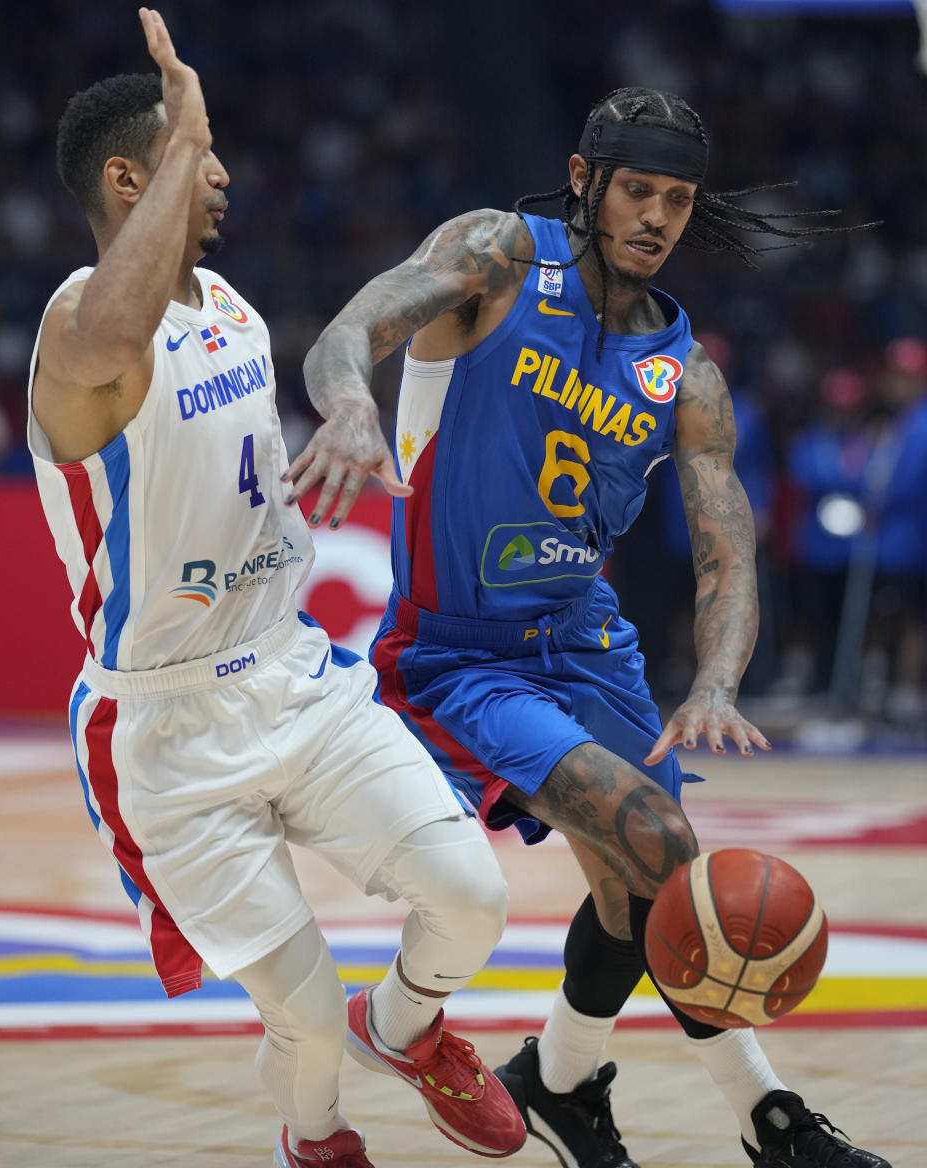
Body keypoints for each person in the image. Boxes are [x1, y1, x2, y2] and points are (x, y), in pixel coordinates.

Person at [288, 87, 890, 1168]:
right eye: (641, 192)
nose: (659, 216)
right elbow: (354, 327)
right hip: (458, 650)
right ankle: (769, 1119)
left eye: (679, 198)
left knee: (642, 882)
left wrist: (715, 681)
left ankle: (560, 1083)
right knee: (659, 846)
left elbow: (726, 551)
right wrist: (346, 403)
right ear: (585, 181)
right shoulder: (497, 257)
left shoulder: (684, 371)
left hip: (587, 636)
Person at [27, 10, 527, 1168]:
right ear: (128, 177)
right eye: (203, 154)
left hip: (296, 677)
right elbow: (113, 330)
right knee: (299, 1017)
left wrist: (347, 420)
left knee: (473, 897)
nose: (227, 175)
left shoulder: (235, 305)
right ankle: (315, 1140)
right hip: (166, 723)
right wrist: (181, 113)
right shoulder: (76, 323)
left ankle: (402, 1027)